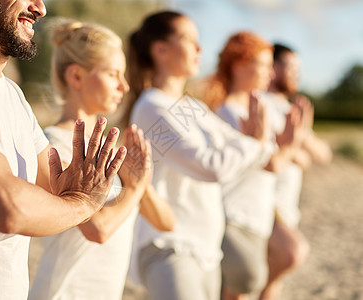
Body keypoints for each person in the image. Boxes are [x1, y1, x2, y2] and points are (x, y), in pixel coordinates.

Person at [0, 1, 126, 299]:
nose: (41, 8)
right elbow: (8, 208)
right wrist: (83, 203)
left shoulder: (12, 94)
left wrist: (84, 193)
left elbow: (54, 189)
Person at [127, 11, 274, 300]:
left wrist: (254, 144)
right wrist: (253, 143)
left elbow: (259, 151)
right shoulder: (152, 107)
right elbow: (212, 166)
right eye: (189, 40)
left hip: (206, 249)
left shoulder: (189, 106)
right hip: (170, 248)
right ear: (160, 50)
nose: (200, 48)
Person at [28, 20, 175, 300]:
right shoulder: (51, 146)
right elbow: (98, 229)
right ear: (76, 77)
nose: (124, 85)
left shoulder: (107, 152)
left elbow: (166, 222)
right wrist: (133, 188)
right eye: (112, 74)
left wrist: (141, 179)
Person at [187, 32, 304, 300]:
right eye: (263, 65)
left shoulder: (253, 108)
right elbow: (271, 164)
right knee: (242, 285)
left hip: (256, 214)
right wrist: (289, 144)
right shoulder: (227, 112)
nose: (269, 73)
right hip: (235, 214)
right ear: (240, 65)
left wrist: (287, 145)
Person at [259, 43, 332, 300]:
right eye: (291, 67)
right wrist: (297, 148)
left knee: (272, 280)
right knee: (292, 253)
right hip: (267, 203)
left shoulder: (290, 109)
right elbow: (275, 154)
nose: (297, 75)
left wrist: (298, 140)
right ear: (273, 67)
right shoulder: (262, 104)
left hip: (287, 205)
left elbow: (321, 154)